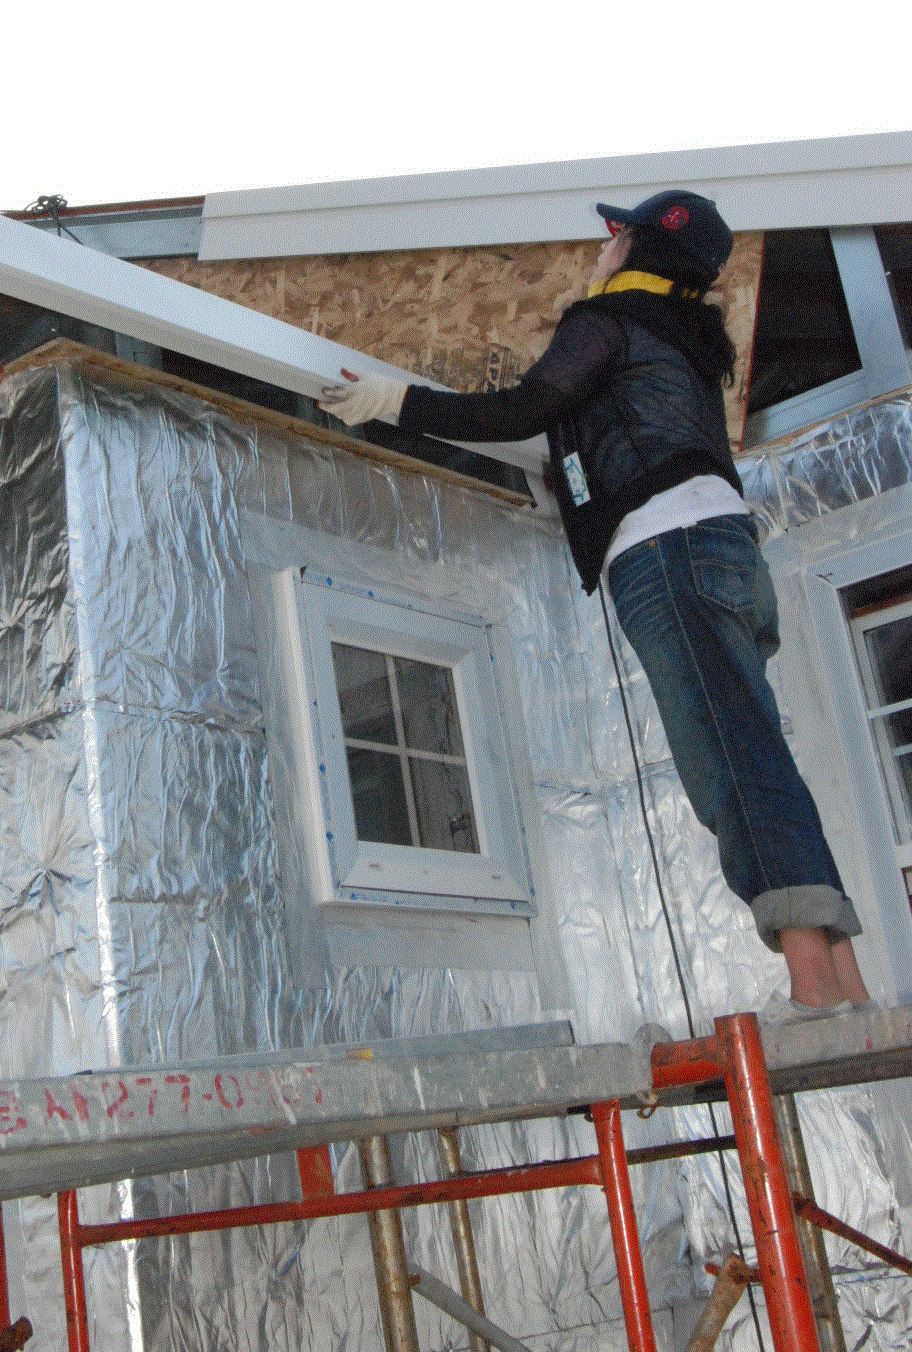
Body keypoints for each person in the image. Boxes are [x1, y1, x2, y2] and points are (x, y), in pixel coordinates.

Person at [321, 190, 869, 1018]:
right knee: (758, 757)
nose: (602, 250)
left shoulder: (608, 320)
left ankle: (815, 990)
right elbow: (610, 433)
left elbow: (524, 407)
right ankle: (845, 981)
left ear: (640, 248)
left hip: (671, 555)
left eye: (616, 238)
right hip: (723, 555)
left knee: (731, 768)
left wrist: (393, 402)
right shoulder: (680, 336)